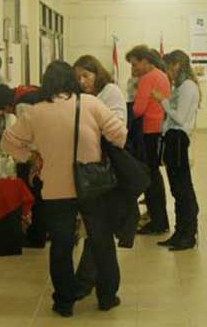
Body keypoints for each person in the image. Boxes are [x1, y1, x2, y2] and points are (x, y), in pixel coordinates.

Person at [1, 61, 127, 317]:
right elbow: (120, 135)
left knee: (61, 246)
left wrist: (31, 156)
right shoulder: (90, 104)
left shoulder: (35, 112)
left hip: (55, 189)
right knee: (101, 242)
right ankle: (106, 296)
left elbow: (8, 143)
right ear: (72, 80)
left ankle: (64, 302)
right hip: (92, 186)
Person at [72, 54, 131, 299]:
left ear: (97, 72)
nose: (83, 81)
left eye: (86, 75)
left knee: (100, 232)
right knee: (99, 232)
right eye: (78, 78)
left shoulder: (110, 92)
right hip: (90, 168)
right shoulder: (84, 97)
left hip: (108, 168)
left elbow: (118, 128)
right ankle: (99, 288)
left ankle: (89, 285)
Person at [152, 50, 200, 250]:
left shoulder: (188, 87)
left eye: (169, 68)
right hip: (172, 139)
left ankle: (188, 234)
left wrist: (161, 100)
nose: (167, 73)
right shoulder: (181, 87)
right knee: (176, 188)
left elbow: (179, 118)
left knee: (182, 188)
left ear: (178, 65)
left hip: (179, 139)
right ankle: (180, 231)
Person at [0, 84, 47, 247]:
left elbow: (29, 136)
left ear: (7, 105)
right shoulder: (25, 91)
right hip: (45, 150)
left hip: (38, 155)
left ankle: (36, 237)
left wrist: (27, 157)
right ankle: (38, 235)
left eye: (5, 111)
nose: (8, 114)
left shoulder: (22, 105)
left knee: (34, 196)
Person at [127, 45, 171, 235]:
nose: (134, 68)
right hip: (159, 128)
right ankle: (159, 218)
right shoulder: (161, 75)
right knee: (154, 175)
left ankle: (158, 220)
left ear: (145, 61)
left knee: (150, 177)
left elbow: (138, 109)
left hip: (148, 130)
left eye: (135, 64)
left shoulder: (146, 78)